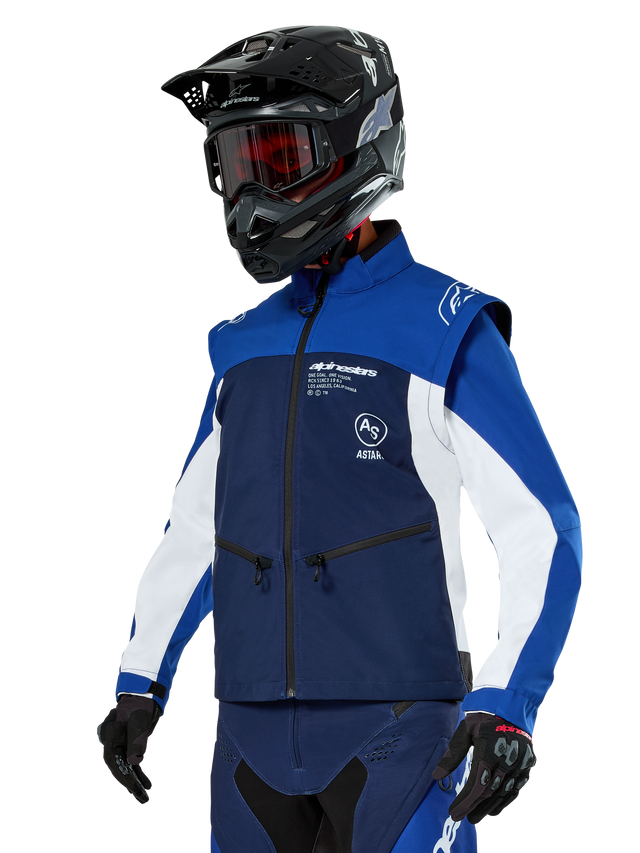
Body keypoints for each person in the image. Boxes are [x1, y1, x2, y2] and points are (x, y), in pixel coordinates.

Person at [95, 23, 585, 853]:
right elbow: (197, 527)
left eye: (281, 158)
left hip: (403, 730)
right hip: (248, 733)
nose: (252, 196)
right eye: (237, 165)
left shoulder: (445, 326)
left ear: (363, 145)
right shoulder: (239, 344)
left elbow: (544, 526)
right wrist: (140, 679)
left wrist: (508, 700)